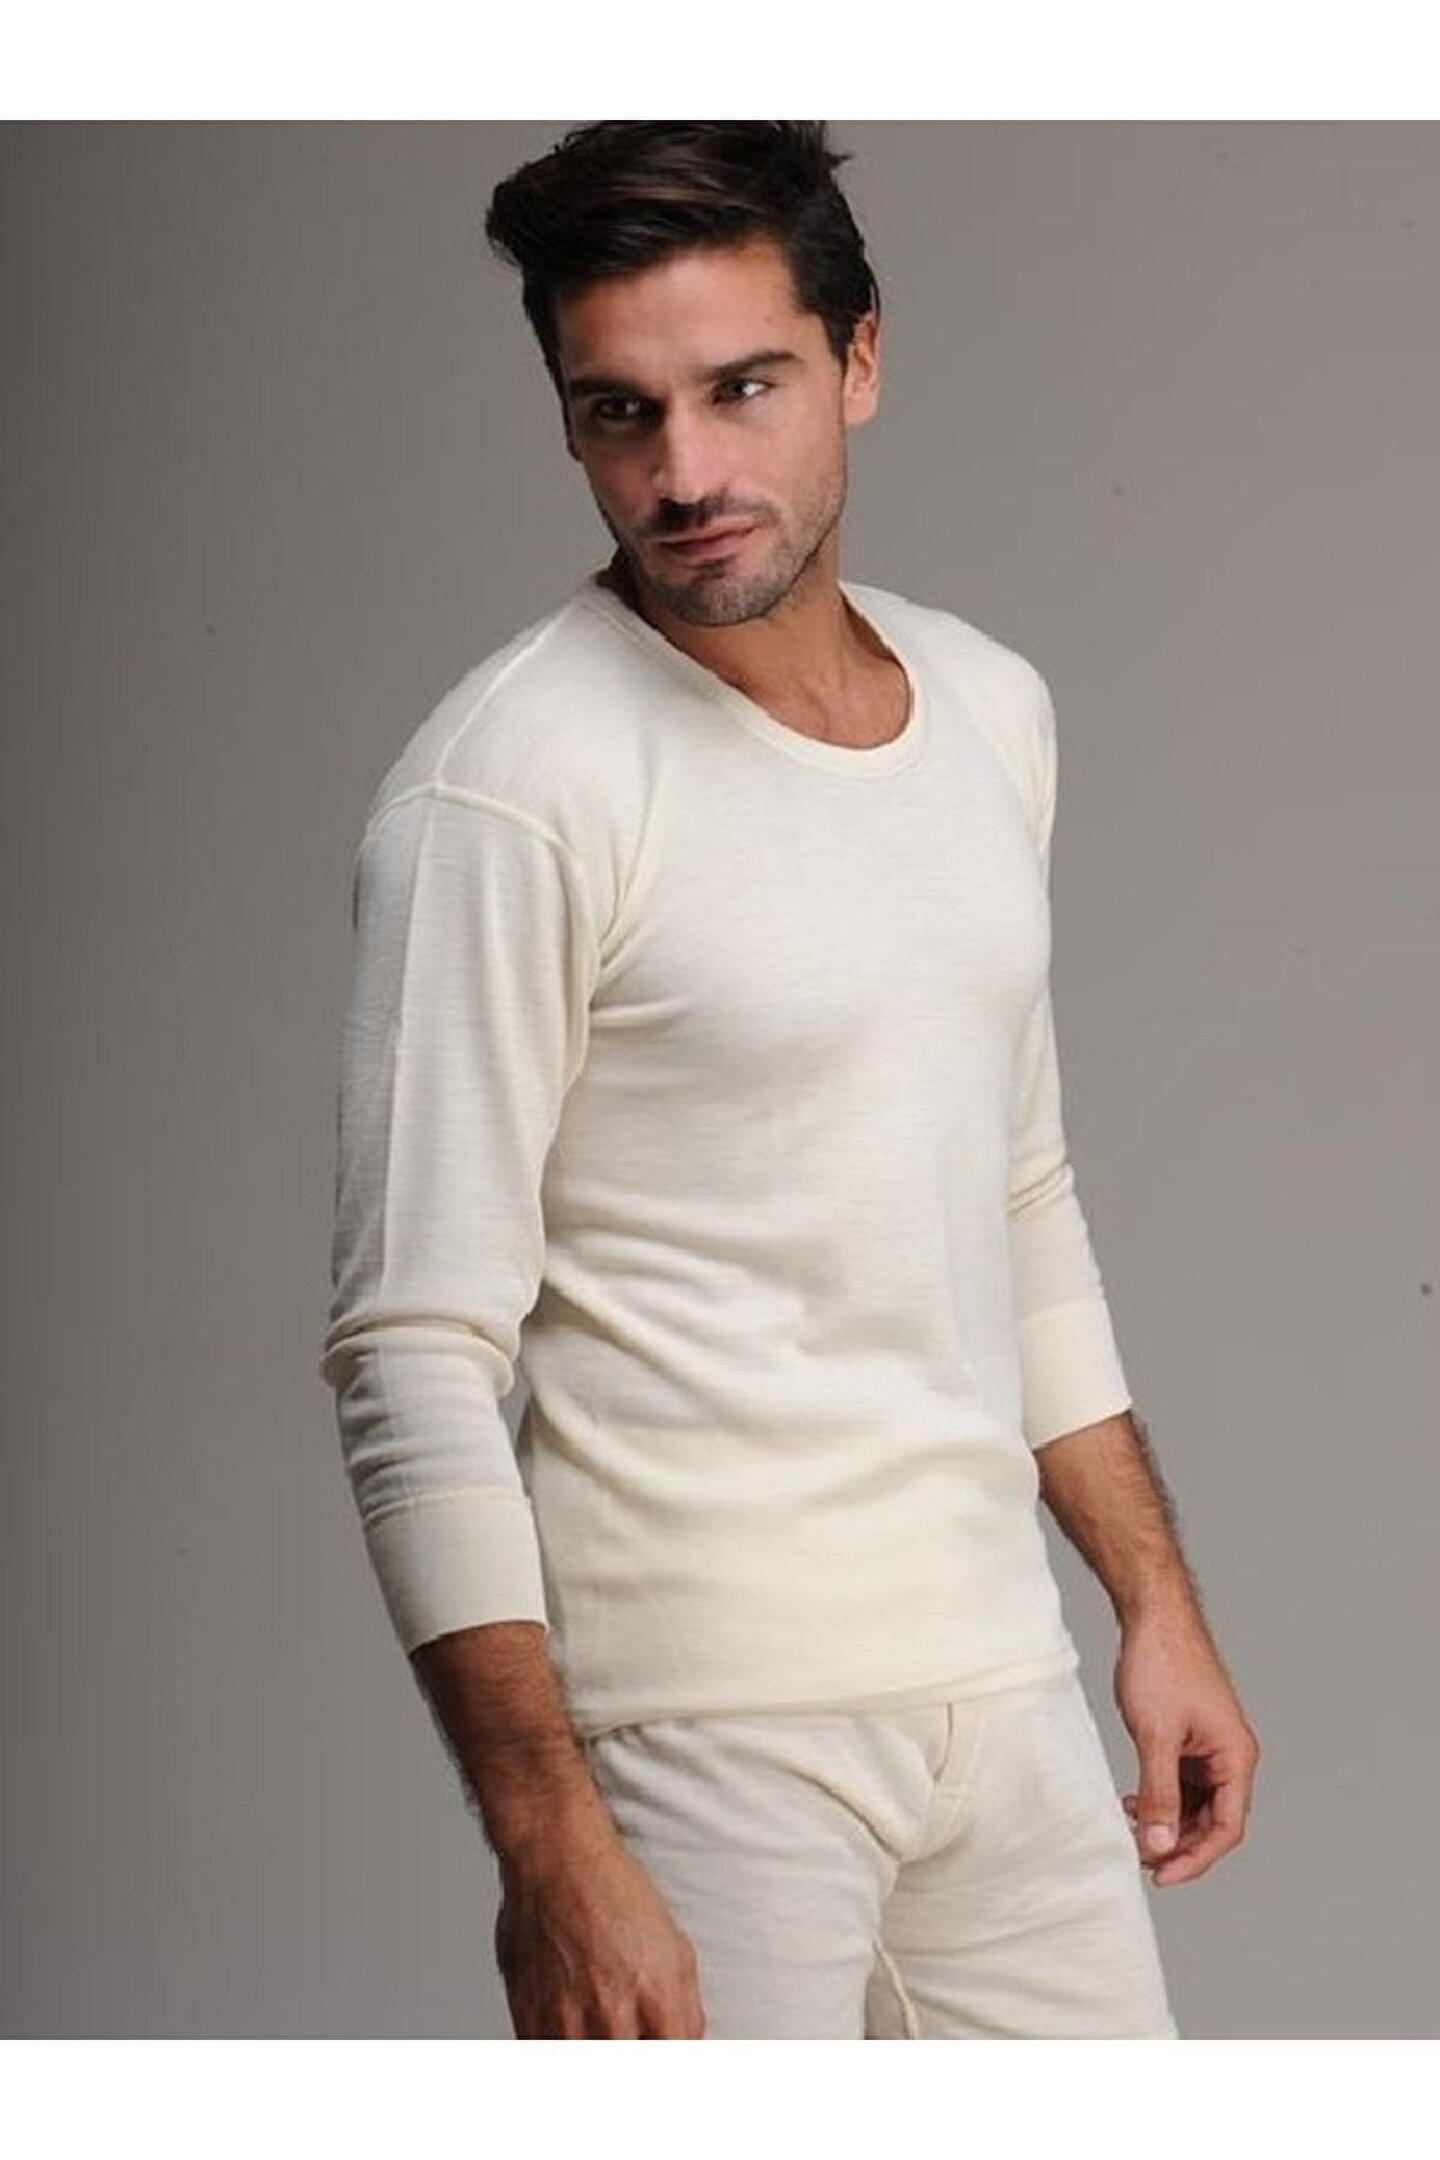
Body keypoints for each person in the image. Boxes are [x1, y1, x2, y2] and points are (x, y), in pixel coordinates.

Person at [319, 121, 1259, 2040]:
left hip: (996, 1690)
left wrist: (1152, 1603)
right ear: (569, 423)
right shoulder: (512, 788)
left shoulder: (989, 708)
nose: (686, 475)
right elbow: (410, 1348)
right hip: (700, 1736)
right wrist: (550, 1847)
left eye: (742, 387)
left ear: (860, 359)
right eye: (622, 412)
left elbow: (1014, 1193)